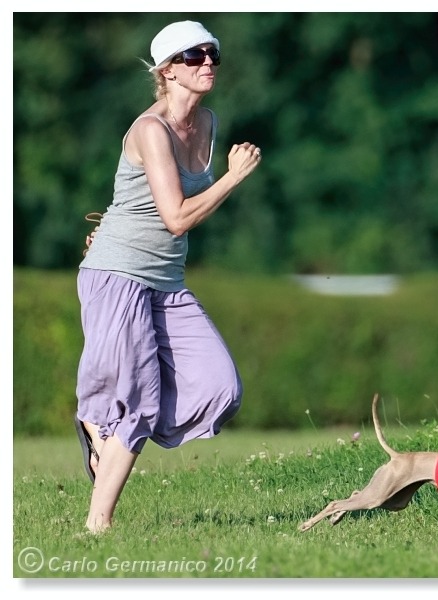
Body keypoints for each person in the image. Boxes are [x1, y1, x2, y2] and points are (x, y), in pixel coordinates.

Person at [74, 20, 261, 534]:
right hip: (118, 276)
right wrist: (233, 176)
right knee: (136, 401)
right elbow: (177, 215)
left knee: (220, 385)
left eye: (212, 55)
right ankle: (98, 522)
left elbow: (165, 215)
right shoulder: (149, 129)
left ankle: (103, 423)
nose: (207, 64)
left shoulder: (208, 123)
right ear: (166, 71)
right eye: (194, 56)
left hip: (166, 280)